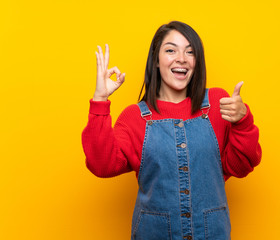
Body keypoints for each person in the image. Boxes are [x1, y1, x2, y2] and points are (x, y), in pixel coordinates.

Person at [82, 21, 262, 240]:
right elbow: (102, 164)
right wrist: (100, 100)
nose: (182, 58)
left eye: (190, 52)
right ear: (156, 60)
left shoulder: (216, 103)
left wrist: (242, 121)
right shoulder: (135, 117)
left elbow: (241, 165)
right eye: (170, 50)